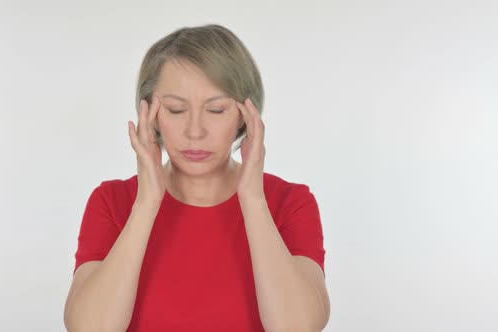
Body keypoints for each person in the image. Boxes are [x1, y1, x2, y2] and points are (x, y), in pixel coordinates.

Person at [64, 24, 330, 332]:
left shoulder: (290, 203)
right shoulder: (112, 202)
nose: (195, 132)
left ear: (247, 116)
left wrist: (253, 200)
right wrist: (148, 200)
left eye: (216, 110)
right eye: (176, 110)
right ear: (150, 115)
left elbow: (297, 328)